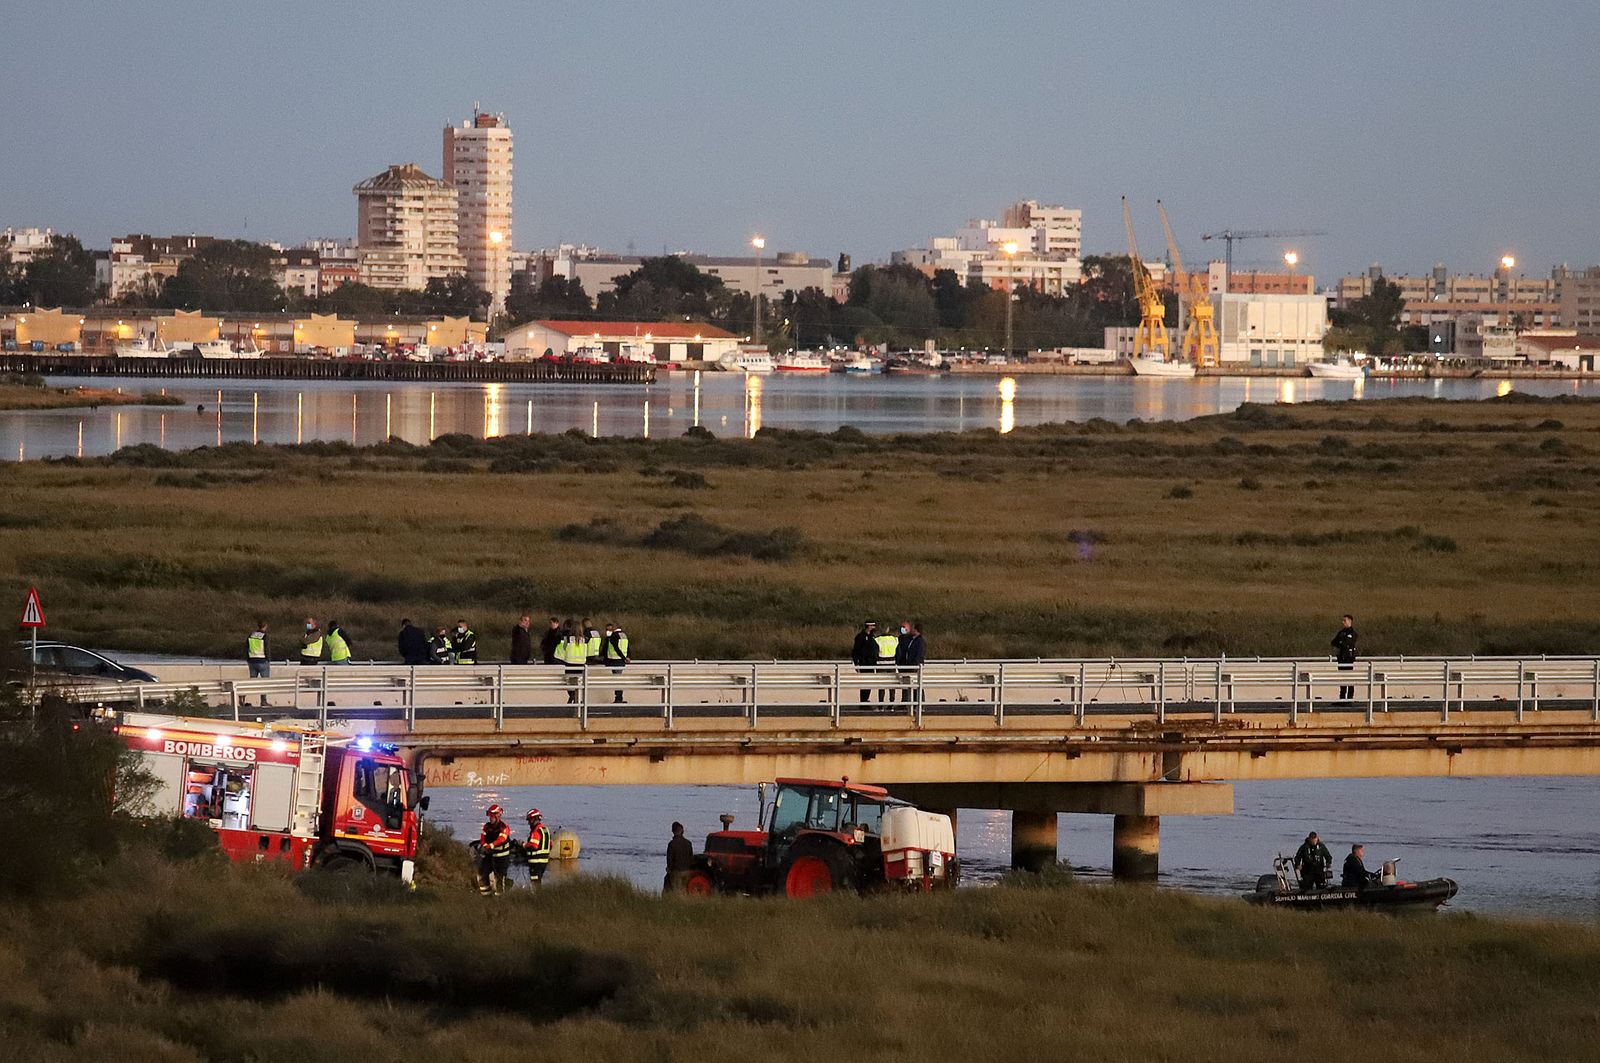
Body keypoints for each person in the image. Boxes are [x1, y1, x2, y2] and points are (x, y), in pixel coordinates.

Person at [476, 803, 514, 896]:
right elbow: (482, 838)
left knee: (500, 879)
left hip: (502, 858)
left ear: (498, 815)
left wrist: (490, 846)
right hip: (490, 856)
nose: (491, 817)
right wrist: (485, 845)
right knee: (482, 874)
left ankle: (500, 899)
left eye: (493, 815)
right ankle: (486, 896)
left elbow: (501, 839)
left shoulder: (504, 827)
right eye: (490, 815)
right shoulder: (486, 826)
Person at [897, 620, 926, 703]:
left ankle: (919, 702)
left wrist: (914, 664)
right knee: (908, 685)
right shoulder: (912, 639)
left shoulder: (919, 641)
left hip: (914, 667)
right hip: (909, 666)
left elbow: (919, 654)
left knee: (917, 686)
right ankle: (907, 702)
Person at [602, 622, 631, 704]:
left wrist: (624, 657)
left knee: (617, 679)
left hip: (615, 660)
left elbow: (616, 648)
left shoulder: (613, 636)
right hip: (621, 661)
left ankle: (618, 698)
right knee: (618, 679)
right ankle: (619, 697)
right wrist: (627, 657)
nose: (609, 630)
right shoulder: (623, 635)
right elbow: (628, 647)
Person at [557, 620, 585, 704]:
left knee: (569, 682)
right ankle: (576, 698)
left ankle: (572, 696)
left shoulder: (567, 639)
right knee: (578, 683)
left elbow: (560, 650)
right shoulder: (584, 640)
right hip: (581, 664)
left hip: (570, 663)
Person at [664, 821, 695, 894]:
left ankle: (677, 903)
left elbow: (669, 860)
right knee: (684, 891)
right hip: (687, 871)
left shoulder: (672, 844)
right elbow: (691, 857)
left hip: (676, 872)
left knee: (676, 891)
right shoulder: (688, 843)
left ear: (672, 831)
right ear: (682, 831)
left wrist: (669, 869)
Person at [1332, 614, 1358, 702]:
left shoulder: (1352, 633)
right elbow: (1334, 642)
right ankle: (1342, 698)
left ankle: (1349, 698)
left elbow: (1348, 644)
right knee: (1342, 678)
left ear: (1350, 621)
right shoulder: (1341, 632)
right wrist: (1341, 643)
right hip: (1341, 659)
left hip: (1349, 659)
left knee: (1349, 678)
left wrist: (1341, 643)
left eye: (1345, 620)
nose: (1343, 622)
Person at [851, 620, 879, 703]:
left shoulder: (873, 637)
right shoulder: (861, 637)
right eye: (873, 626)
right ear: (869, 626)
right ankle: (863, 701)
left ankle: (866, 699)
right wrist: (857, 663)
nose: (874, 628)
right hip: (864, 663)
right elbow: (855, 651)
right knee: (864, 683)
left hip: (872, 663)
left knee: (869, 683)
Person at [523, 808, 552, 885]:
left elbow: (533, 846)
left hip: (535, 863)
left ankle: (536, 897)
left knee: (535, 884)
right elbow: (551, 844)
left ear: (534, 819)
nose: (528, 823)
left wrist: (523, 845)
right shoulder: (545, 830)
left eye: (529, 820)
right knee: (538, 881)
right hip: (544, 862)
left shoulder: (536, 831)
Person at [874, 621, 901, 703]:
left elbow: (875, 653)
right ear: (888, 630)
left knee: (881, 686)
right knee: (892, 685)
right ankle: (891, 703)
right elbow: (898, 652)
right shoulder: (895, 639)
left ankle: (881, 704)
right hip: (892, 663)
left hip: (880, 664)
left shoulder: (877, 640)